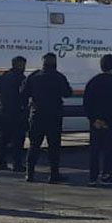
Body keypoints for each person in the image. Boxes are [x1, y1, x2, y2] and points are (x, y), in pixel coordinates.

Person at [23, 53, 73, 183]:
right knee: (54, 147)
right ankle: (53, 174)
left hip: (37, 114)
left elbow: (23, 92)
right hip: (54, 115)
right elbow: (67, 93)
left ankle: (30, 173)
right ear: (55, 63)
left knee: (34, 145)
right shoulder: (59, 77)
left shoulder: (34, 76)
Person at [83, 54, 112, 186]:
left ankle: (92, 177)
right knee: (109, 150)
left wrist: (94, 119)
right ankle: (106, 175)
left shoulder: (93, 81)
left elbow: (87, 103)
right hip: (110, 122)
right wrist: (111, 120)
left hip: (95, 122)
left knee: (94, 150)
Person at [0, 55, 28, 172]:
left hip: (3, 111)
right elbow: (25, 95)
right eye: (23, 64)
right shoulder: (21, 78)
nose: (24, 67)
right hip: (17, 112)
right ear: (18, 65)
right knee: (18, 139)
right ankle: (17, 164)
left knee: (3, 139)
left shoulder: (3, 77)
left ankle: (1, 162)